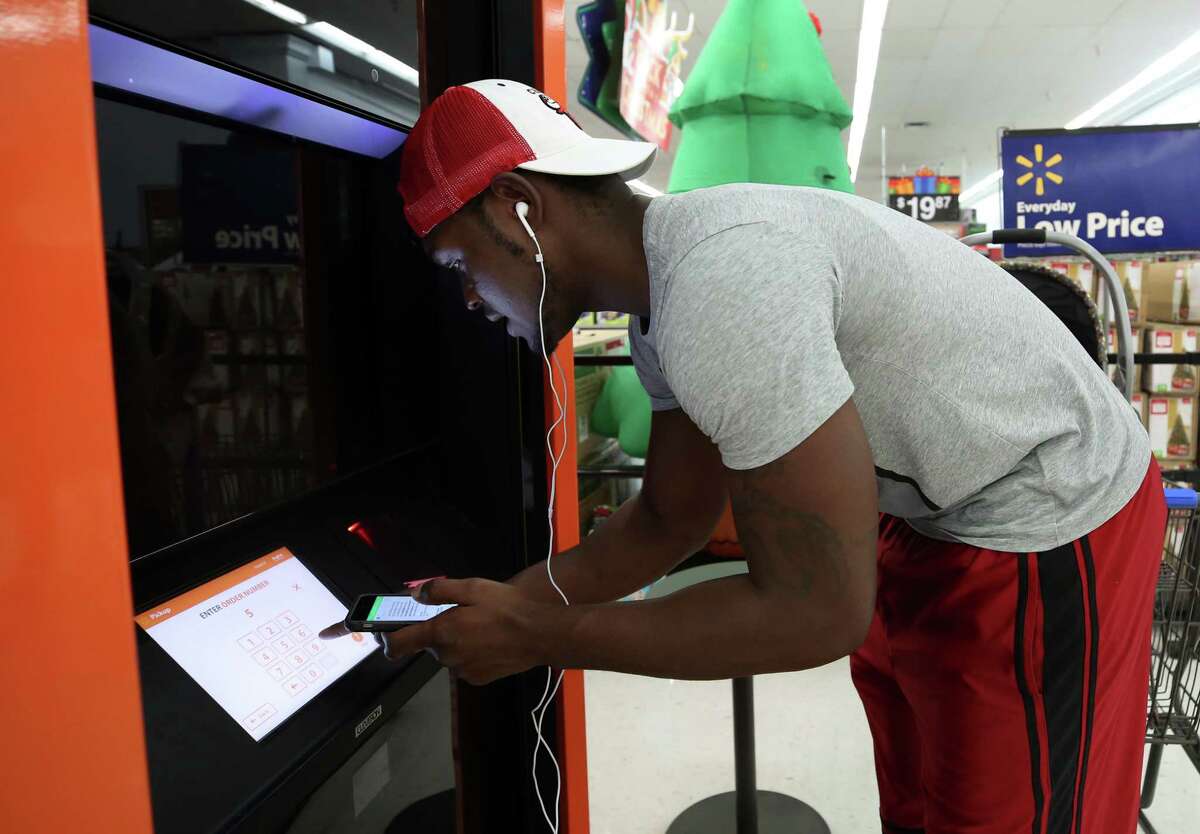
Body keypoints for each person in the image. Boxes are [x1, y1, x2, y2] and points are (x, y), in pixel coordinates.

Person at [322, 80, 1165, 833]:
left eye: (460, 263)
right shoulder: (663, 297)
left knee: (1005, 811)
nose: (470, 297)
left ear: (517, 206)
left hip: (1051, 511)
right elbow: (670, 517)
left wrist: (539, 635)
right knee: (923, 797)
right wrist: (507, 603)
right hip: (936, 508)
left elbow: (814, 613)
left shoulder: (723, 279)